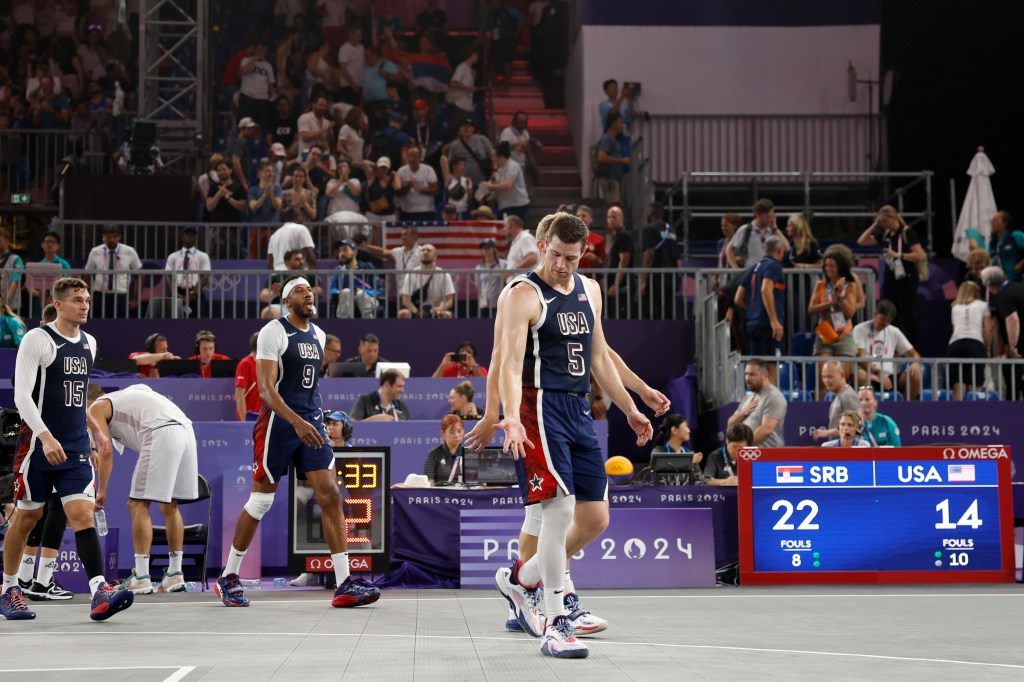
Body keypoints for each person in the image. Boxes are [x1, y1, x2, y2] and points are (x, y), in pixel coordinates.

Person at [464, 213, 670, 639]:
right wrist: (502, 418)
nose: (563, 265)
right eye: (556, 255)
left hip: (578, 409)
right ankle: (558, 615)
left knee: (594, 519)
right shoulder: (521, 295)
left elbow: (600, 357)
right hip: (537, 408)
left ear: (585, 253)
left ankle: (522, 583)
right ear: (541, 245)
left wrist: (632, 405)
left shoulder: (590, 290)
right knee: (552, 515)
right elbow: (504, 362)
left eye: (572, 258)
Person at [216, 277, 381, 608]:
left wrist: (312, 418)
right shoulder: (273, 332)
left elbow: (308, 384)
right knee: (261, 502)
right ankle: (229, 576)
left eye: (310, 290)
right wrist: (296, 421)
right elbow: (265, 390)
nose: (309, 294)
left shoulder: (319, 335)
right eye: (300, 291)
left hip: (312, 422)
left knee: (331, 495)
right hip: (278, 424)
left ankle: (344, 582)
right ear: (286, 301)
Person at [2, 277, 133, 621]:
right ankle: (9, 588)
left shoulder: (89, 342)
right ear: (58, 305)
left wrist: (95, 429)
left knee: (82, 514)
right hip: (38, 444)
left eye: (87, 299)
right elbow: (21, 396)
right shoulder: (37, 339)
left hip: (75, 446)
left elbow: (79, 393)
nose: (85, 305)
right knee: (28, 517)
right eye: (77, 300)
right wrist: (45, 437)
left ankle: (99, 590)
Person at [88, 384, 199, 594]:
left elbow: (106, 452)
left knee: (137, 504)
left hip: (160, 432)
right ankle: (175, 574)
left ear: (88, 403)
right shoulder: (130, 396)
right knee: (170, 506)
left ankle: (141, 576)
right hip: (186, 431)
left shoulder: (95, 409)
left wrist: (101, 490)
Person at [857, 205, 927, 347]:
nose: (882, 225)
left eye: (884, 222)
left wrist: (898, 255)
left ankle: (913, 347)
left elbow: (920, 254)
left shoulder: (906, 232)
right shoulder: (886, 234)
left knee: (906, 313)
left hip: (906, 276)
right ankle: (891, 345)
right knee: (888, 310)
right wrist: (875, 224)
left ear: (893, 218)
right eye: (880, 222)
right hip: (891, 275)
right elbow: (861, 241)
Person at [852, 299, 922, 400]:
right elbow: (861, 359)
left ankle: (907, 409)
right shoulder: (860, 329)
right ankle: (865, 405)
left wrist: (915, 363)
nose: (885, 324)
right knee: (861, 376)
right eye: (882, 320)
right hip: (869, 375)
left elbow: (914, 354)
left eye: (888, 321)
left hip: (888, 377)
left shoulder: (894, 331)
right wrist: (879, 373)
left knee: (914, 376)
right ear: (875, 314)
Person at [808, 245, 865, 359]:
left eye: (832, 266)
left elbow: (856, 307)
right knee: (825, 372)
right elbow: (810, 309)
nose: (828, 269)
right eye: (826, 266)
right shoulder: (821, 284)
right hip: (825, 331)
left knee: (841, 373)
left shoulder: (851, 283)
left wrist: (839, 297)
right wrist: (830, 303)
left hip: (844, 330)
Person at [734, 234, 787, 356]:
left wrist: (754, 309)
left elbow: (738, 299)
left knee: (757, 366)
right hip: (768, 326)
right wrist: (774, 321)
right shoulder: (774, 266)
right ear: (779, 251)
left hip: (752, 324)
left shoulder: (752, 268)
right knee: (772, 367)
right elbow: (765, 289)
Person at [980, 265, 1024, 399]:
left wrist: (1012, 346)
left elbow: (1012, 320)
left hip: (1020, 343)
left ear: (989, 285)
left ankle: (1012, 415)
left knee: (1012, 380)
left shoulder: (1004, 295)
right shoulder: (1018, 286)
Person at [83, 226, 142, 318]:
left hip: (121, 295)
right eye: (108, 237)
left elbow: (141, 273)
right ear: (104, 237)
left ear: (119, 237)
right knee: (98, 324)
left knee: (120, 325)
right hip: (99, 294)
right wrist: (85, 298)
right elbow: (87, 275)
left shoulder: (129, 251)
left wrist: (136, 297)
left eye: (114, 237)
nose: (111, 239)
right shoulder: (95, 251)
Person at [948, 281, 993, 399]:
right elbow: (988, 329)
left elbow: (954, 330)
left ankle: (958, 414)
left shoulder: (955, 307)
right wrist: (986, 348)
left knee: (958, 384)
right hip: (975, 343)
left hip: (955, 344)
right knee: (975, 384)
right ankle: (974, 414)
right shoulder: (983, 305)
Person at [727, 358, 786, 447]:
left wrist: (743, 446)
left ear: (765, 375)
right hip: (749, 454)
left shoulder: (774, 396)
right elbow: (731, 423)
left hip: (768, 455)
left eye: (752, 374)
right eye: (746, 374)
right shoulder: (748, 397)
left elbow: (767, 429)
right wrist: (743, 413)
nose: (747, 378)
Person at [639, 202, 680, 320]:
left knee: (653, 313)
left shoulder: (649, 229)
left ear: (650, 213)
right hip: (671, 278)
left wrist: (643, 280)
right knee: (669, 313)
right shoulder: (671, 229)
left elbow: (649, 253)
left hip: (655, 280)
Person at [163, 226, 211, 319]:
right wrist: (175, 293)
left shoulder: (203, 256)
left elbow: (205, 276)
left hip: (195, 292)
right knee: (173, 320)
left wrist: (193, 293)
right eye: (187, 234)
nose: (189, 237)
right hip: (177, 290)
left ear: (195, 237)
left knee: (198, 320)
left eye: (192, 235)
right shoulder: (173, 256)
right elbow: (167, 276)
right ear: (182, 236)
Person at [398, 244, 456, 319]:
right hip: (416, 308)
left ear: (435, 257)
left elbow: (449, 301)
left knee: (446, 315)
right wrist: (416, 311)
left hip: (436, 309)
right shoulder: (411, 274)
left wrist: (440, 309)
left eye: (429, 251)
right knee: (403, 313)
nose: (425, 252)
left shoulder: (444, 275)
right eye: (422, 250)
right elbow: (405, 300)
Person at [726, 198, 786, 270]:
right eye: (767, 216)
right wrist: (736, 269)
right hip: (750, 273)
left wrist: (775, 228)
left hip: (767, 274)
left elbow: (786, 248)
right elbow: (729, 249)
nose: (770, 219)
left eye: (771, 216)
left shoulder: (771, 231)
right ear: (758, 214)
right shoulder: (746, 230)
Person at [330, 240, 380, 320]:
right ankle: (343, 325)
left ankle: (369, 324)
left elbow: (378, 289)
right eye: (340, 251)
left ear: (355, 252)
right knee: (346, 292)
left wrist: (365, 292)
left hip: (367, 299)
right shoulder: (338, 270)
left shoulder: (367, 267)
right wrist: (338, 292)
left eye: (345, 250)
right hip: (347, 300)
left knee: (361, 294)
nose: (341, 254)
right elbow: (333, 289)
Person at [813, 361, 860, 441]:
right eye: (823, 377)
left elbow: (856, 426)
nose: (826, 380)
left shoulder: (848, 396)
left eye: (830, 376)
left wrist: (827, 433)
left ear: (843, 375)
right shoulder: (839, 396)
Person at [483, 141, 530, 221]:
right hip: (504, 205)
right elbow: (499, 189)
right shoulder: (500, 170)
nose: (492, 159)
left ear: (501, 156)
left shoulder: (512, 166)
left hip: (516, 205)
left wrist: (490, 186)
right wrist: (489, 197)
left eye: (494, 156)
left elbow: (507, 186)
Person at [605, 205, 635, 319]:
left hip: (623, 287)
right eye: (609, 217)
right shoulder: (615, 237)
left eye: (614, 217)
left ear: (621, 218)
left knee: (622, 319)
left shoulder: (623, 235)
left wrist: (616, 284)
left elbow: (624, 260)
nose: (611, 220)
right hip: (616, 286)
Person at [395, 146, 439, 222]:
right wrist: (409, 186)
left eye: (415, 157)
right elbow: (398, 193)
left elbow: (435, 190)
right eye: (410, 156)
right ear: (407, 157)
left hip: (426, 211)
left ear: (420, 157)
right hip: (407, 211)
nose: (412, 159)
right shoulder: (401, 171)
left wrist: (420, 189)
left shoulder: (428, 170)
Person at [595, 112, 629, 205]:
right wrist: (622, 160)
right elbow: (602, 157)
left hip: (615, 177)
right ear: (613, 124)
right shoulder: (607, 138)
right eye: (620, 123)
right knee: (614, 204)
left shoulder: (614, 139)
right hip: (609, 178)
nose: (622, 125)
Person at [424, 414, 465, 484]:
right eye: (452, 432)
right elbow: (429, 485)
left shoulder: (469, 454)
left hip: (464, 494)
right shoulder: (433, 455)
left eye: (459, 431)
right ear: (443, 433)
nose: (457, 435)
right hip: (440, 494)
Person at [987, 211, 1024, 282]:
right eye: (992, 221)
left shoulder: (1016, 235)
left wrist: (1021, 264)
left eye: (996, 220)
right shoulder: (992, 242)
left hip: (1015, 280)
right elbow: (989, 259)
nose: (992, 223)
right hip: (998, 282)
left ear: (1005, 223)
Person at [235, 332, 262, 421]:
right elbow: (239, 394)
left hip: (261, 418)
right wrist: (244, 422)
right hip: (249, 419)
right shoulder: (245, 364)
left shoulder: (264, 364)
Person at [503, 215, 540, 280]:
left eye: (505, 226)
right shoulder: (517, 241)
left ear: (513, 225)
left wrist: (512, 270)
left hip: (525, 286)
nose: (503, 229)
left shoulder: (525, 238)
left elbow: (532, 258)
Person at [476, 239, 506, 314]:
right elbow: (478, 285)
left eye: (487, 248)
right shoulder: (479, 267)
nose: (485, 250)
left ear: (493, 249)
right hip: (485, 303)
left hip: (499, 301)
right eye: (483, 248)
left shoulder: (503, 264)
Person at [0, 227, 25, 316]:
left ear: (7, 241)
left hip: (10, 307)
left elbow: (15, 282)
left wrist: (5, 303)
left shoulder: (15, 259)